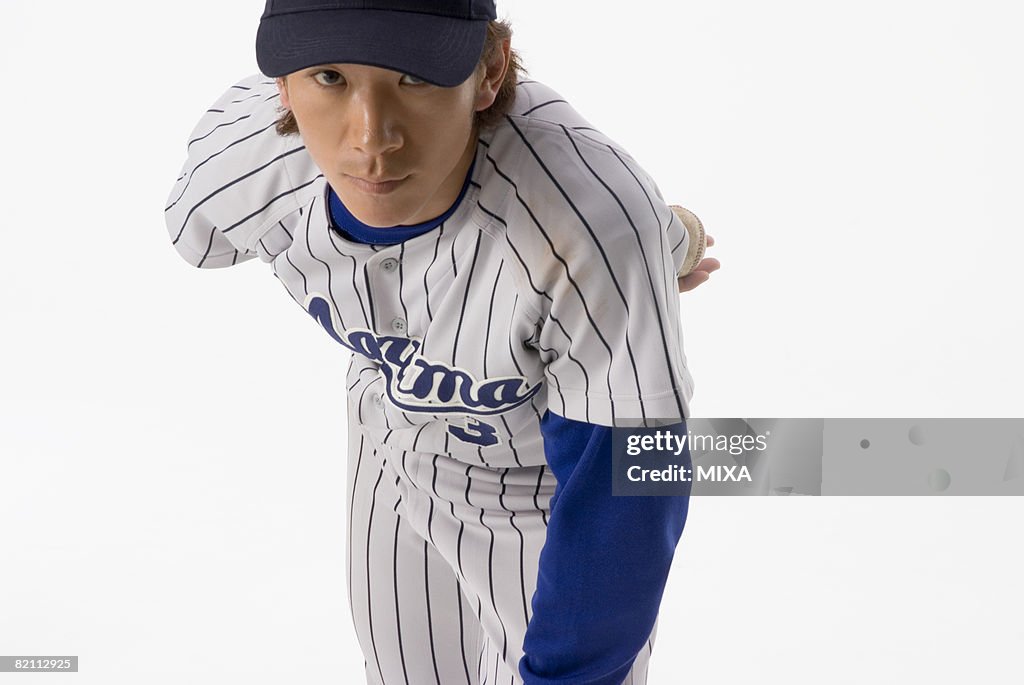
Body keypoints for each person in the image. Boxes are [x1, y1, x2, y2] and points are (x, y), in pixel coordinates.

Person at [164, 2, 719, 683]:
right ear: (281, 85)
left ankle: (670, 237)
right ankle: (671, 238)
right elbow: (198, 231)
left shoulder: (588, 228)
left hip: (536, 474)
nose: (372, 138)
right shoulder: (242, 165)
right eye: (330, 76)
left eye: (415, 77)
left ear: (490, 71)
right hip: (390, 426)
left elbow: (632, 478)